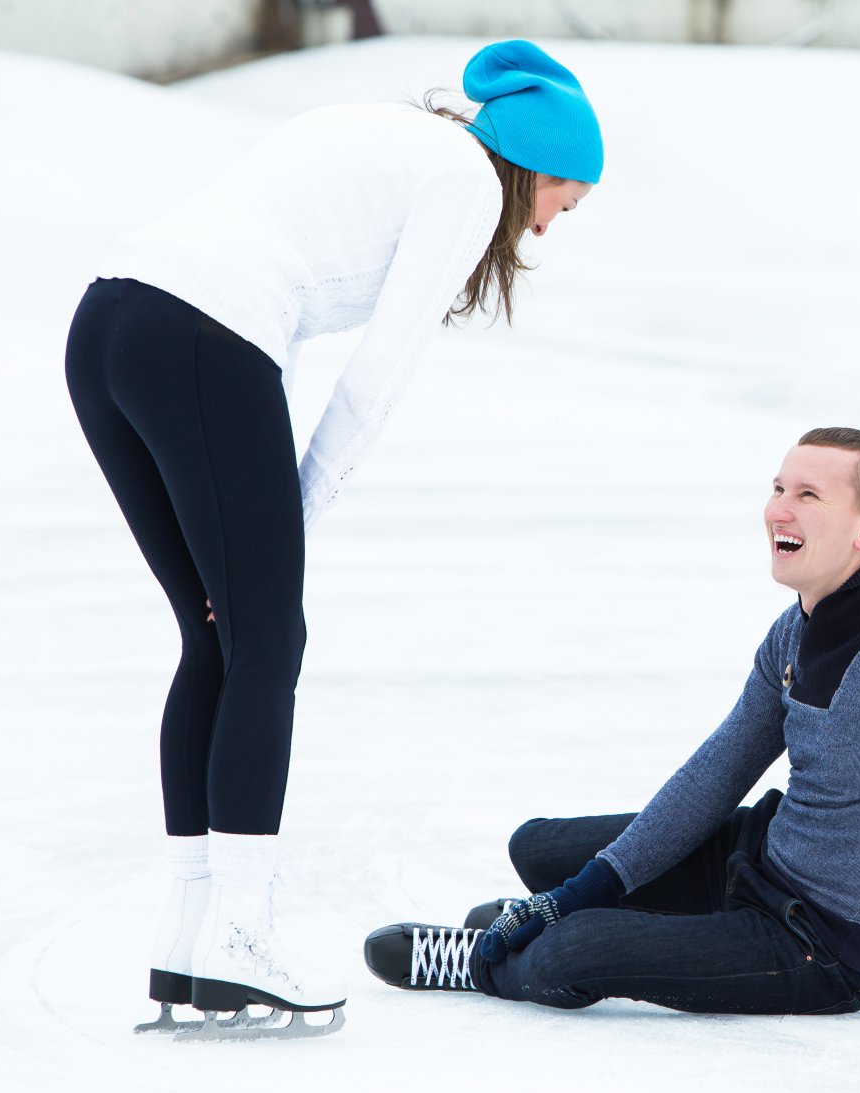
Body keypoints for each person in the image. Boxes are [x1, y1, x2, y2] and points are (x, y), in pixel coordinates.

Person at [64, 41, 604, 1041]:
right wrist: (286, 532)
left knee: (218, 641)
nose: (552, 223)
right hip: (200, 334)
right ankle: (239, 932)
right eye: (565, 200)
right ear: (538, 167)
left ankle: (190, 931)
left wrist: (259, 544)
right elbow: (378, 375)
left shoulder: (395, 135)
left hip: (107, 325)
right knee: (267, 642)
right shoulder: (468, 186)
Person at [365, 428, 860, 1037]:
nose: (779, 510)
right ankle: (552, 922)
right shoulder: (793, 632)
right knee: (540, 850)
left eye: (808, 495)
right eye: (777, 489)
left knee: (572, 952)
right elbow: (716, 775)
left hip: (823, 944)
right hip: (758, 861)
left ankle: (485, 963)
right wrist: (577, 893)